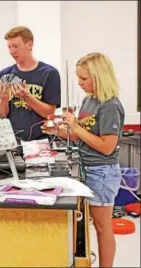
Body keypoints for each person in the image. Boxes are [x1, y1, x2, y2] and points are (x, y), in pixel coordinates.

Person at [41, 52, 125, 268]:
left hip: (102, 172)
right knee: (91, 225)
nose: (79, 83)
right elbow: (80, 136)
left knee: (102, 226)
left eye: (84, 78)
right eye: (78, 78)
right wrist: (57, 130)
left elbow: (107, 147)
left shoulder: (110, 106)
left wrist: (76, 126)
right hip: (88, 168)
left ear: (99, 76)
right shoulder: (89, 101)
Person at [0, 26, 61, 141]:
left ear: (29, 44)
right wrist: (3, 100)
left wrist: (27, 97)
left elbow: (49, 113)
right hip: (12, 142)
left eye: (16, 46)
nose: (12, 51)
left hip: (40, 143)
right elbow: (1, 115)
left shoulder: (49, 73)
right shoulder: (4, 75)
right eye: (9, 47)